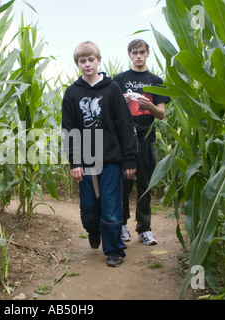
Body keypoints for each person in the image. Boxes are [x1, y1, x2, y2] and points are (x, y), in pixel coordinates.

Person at [62, 41, 138, 267]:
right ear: (78, 64)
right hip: (85, 161)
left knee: (111, 205)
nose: (87, 64)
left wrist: (129, 159)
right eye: (82, 61)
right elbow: (69, 129)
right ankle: (94, 231)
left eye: (91, 59)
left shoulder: (112, 88)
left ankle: (114, 250)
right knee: (89, 210)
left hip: (111, 159)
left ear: (98, 61)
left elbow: (125, 124)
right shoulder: (72, 92)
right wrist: (74, 161)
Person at [113, 39, 170, 246]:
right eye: (134, 52)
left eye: (142, 52)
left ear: (148, 54)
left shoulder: (156, 81)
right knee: (123, 183)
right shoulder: (119, 80)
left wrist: (149, 105)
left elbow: (161, 114)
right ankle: (121, 225)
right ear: (129, 54)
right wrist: (123, 102)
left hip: (147, 138)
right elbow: (111, 111)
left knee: (146, 184)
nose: (138, 56)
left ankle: (144, 229)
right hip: (124, 139)